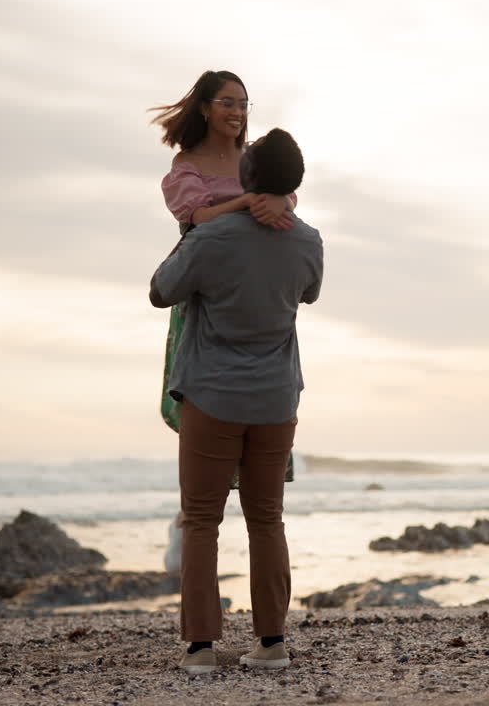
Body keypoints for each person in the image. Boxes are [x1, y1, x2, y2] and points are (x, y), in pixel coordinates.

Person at [148, 128, 323, 676]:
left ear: (246, 181)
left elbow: (160, 290)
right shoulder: (309, 241)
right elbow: (309, 292)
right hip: (275, 400)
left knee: (201, 520)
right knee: (267, 520)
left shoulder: (213, 237)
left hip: (212, 395)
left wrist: (202, 222)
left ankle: (201, 649)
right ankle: (271, 643)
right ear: (294, 184)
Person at [149, 69, 298, 486]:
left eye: (243, 103)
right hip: (205, 282)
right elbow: (196, 217)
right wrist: (251, 201)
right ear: (204, 107)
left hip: (259, 281)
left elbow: (287, 193)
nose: (237, 111)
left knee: (264, 375)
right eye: (227, 102)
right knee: (209, 389)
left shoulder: (254, 158)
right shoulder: (187, 163)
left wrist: (278, 201)